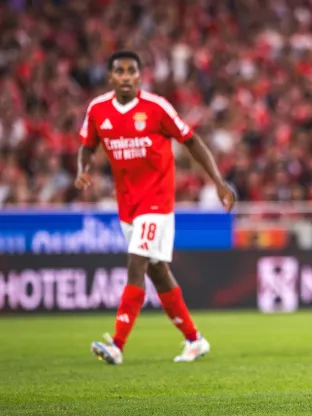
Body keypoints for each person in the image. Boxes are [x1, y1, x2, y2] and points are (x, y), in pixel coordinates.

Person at [75, 51, 235, 365]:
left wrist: (218, 181)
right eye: (119, 71)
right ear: (110, 77)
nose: (125, 76)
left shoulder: (156, 107)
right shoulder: (97, 109)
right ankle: (194, 339)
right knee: (158, 272)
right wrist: (82, 168)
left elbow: (192, 140)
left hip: (157, 202)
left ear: (139, 76)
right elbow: (87, 145)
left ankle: (117, 345)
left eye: (131, 71)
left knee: (136, 263)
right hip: (128, 205)